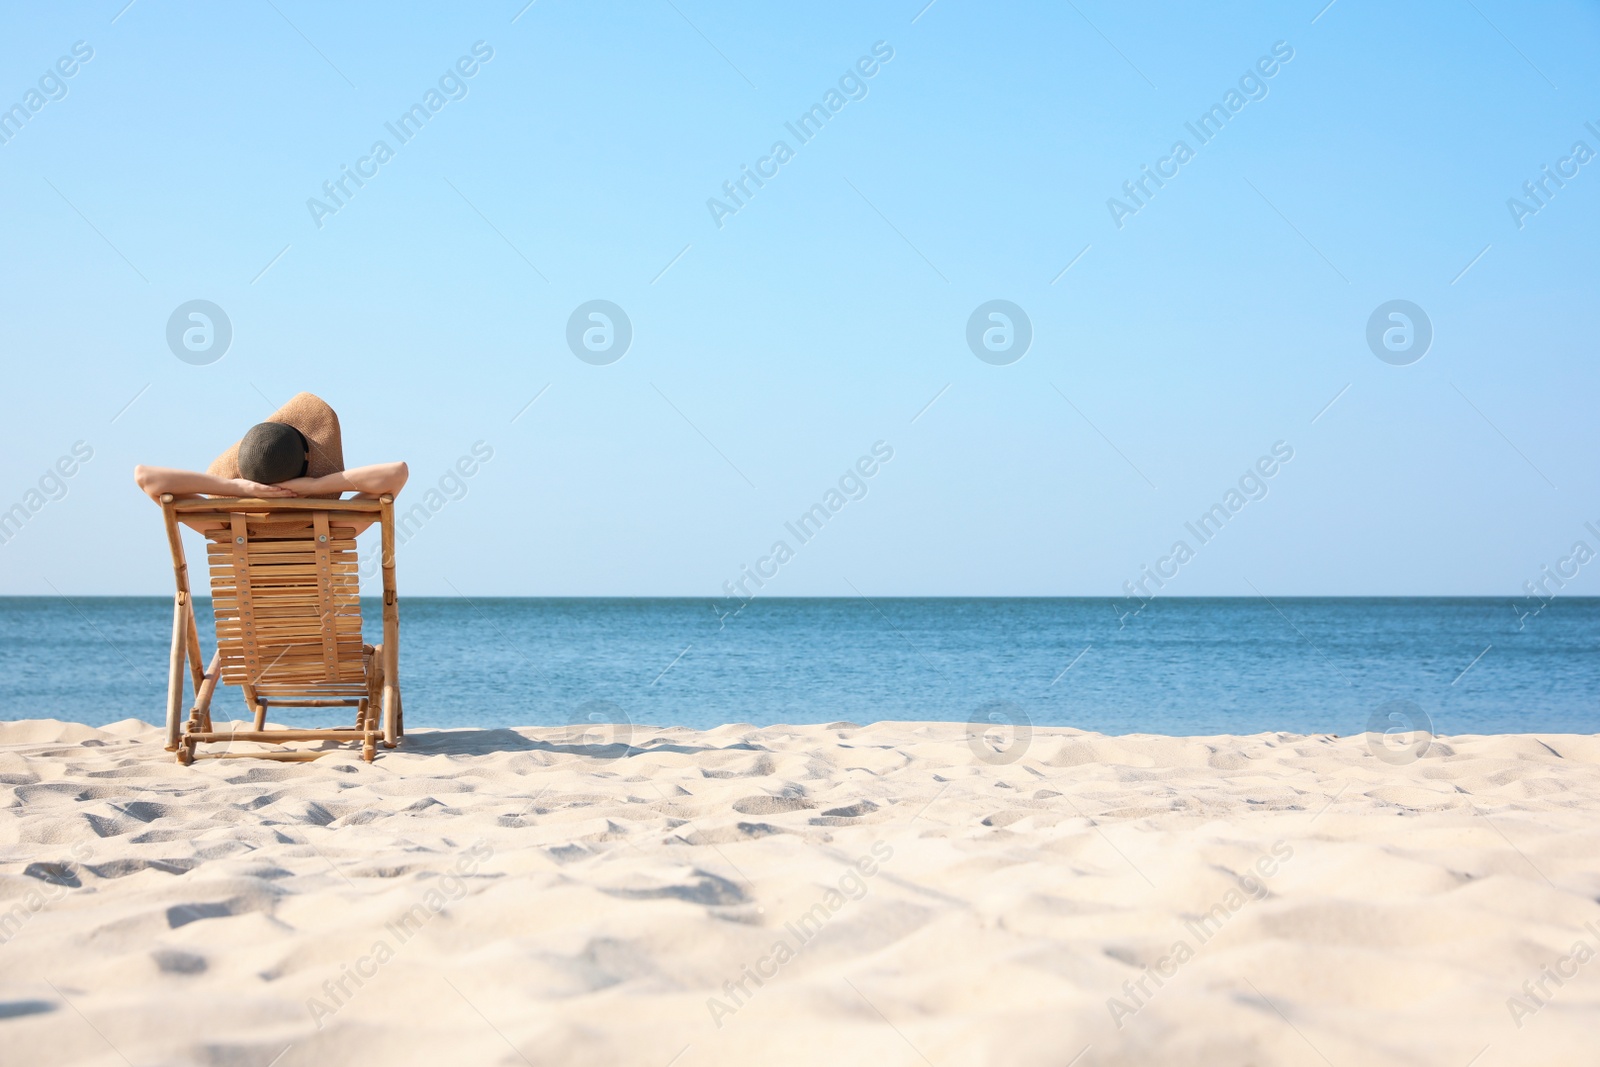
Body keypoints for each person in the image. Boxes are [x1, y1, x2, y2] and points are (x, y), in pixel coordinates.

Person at [134, 392, 407, 534]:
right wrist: (314, 486)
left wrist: (237, 489)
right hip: (327, 642)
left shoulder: (226, 531)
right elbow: (397, 473)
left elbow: (146, 477)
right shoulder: (332, 530)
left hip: (248, 642)